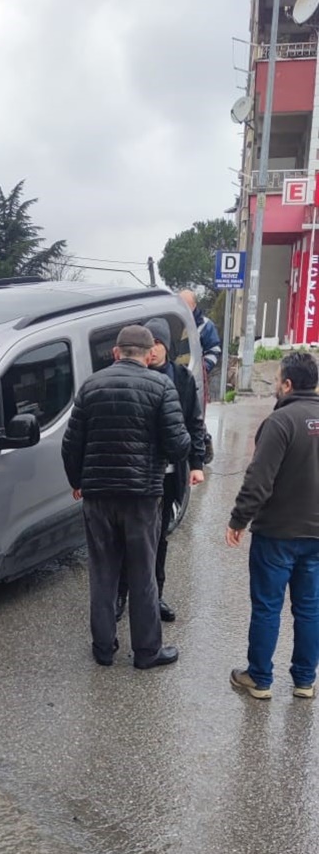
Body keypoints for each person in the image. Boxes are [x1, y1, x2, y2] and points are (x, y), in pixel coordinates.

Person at [62, 324, 191, 670]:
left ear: (116, 352)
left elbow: (71, 444)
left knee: (102, 573)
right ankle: (147, 652)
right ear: (148, 356)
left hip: (98, 496)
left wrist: (77, 480)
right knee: (143, 574)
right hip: (141, 497)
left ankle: (103, 648)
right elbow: (179, 445)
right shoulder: (161, 386)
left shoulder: (91, 386)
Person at [226, 349, 319, 700]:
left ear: (288, 384)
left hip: (277, 533)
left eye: (278, 380)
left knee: (267, 607)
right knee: (310, 608)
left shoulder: (280, 422)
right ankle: (305, 681)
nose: (277, 385)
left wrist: (239, 519)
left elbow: (259, 480)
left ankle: (260, 678)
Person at [116, 317, 206, 623]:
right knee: (128, 536)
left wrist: (196, 463)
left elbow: (194, 422)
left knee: (159, 536)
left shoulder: (181, 378)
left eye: (157, 343)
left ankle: (155, 595)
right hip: (135, 473)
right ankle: (121, 594)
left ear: (166, 346)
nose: (152, 349)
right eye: (149, 343)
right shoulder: (131, 375)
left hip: (168, 473)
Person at [180, 289, 220, 464]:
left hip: (196, 378)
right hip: (178, 376)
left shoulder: (205, 325)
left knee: (196, 414)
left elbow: (214, 350)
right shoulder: (175, 322)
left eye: (186, 304)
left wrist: (203, 368)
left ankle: (204, 441)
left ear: (194, 305)